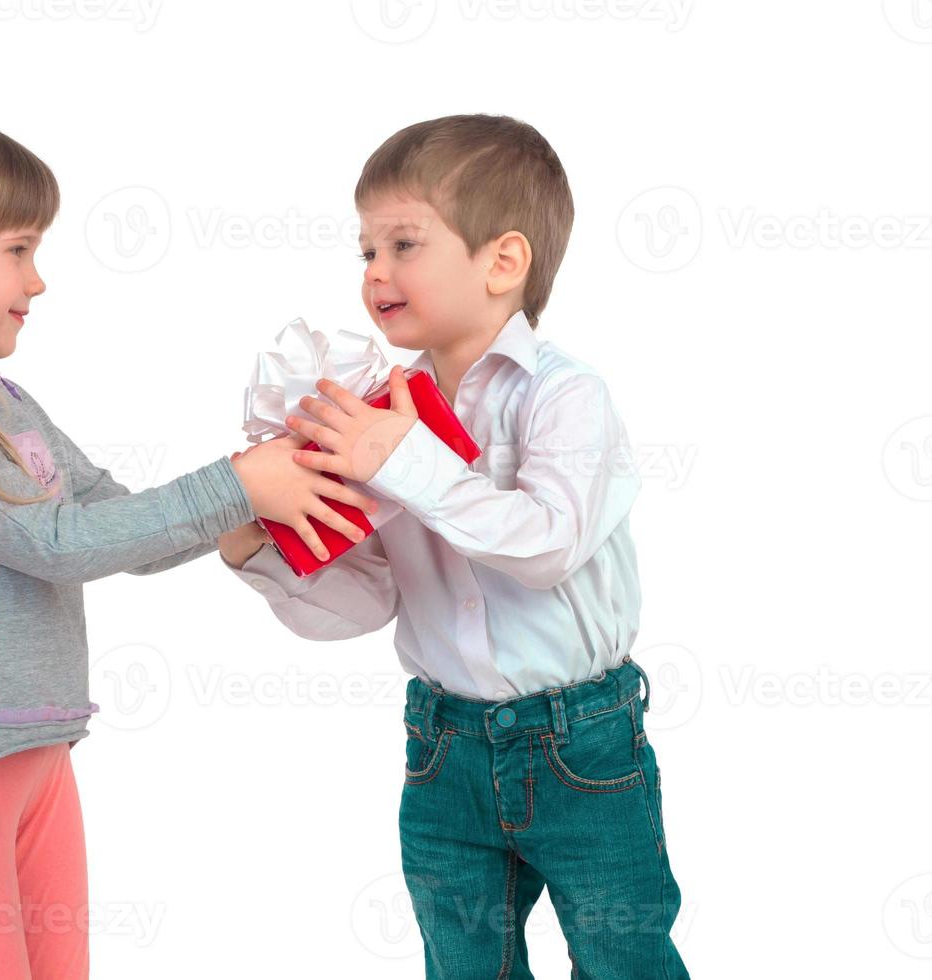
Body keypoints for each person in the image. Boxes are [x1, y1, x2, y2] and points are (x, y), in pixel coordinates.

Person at [0, 98, 380, 979]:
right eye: (18, 249)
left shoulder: (9, 406)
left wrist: (245, 498)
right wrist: (231, 486)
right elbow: (59, 544)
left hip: (37, 757)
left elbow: (115, 523)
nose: (38, 281)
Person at [219, 113, 691, 979]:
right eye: (364, 251)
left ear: (503, 262)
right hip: (443, 747)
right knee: (462, 963)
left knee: (624, 956)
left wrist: (403, 460)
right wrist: (258, 546)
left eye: (403, 244)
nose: (375, 273)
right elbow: (363, 603)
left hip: (581, 741)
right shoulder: (377, 411)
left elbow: (549, 545)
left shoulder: (566, 398)